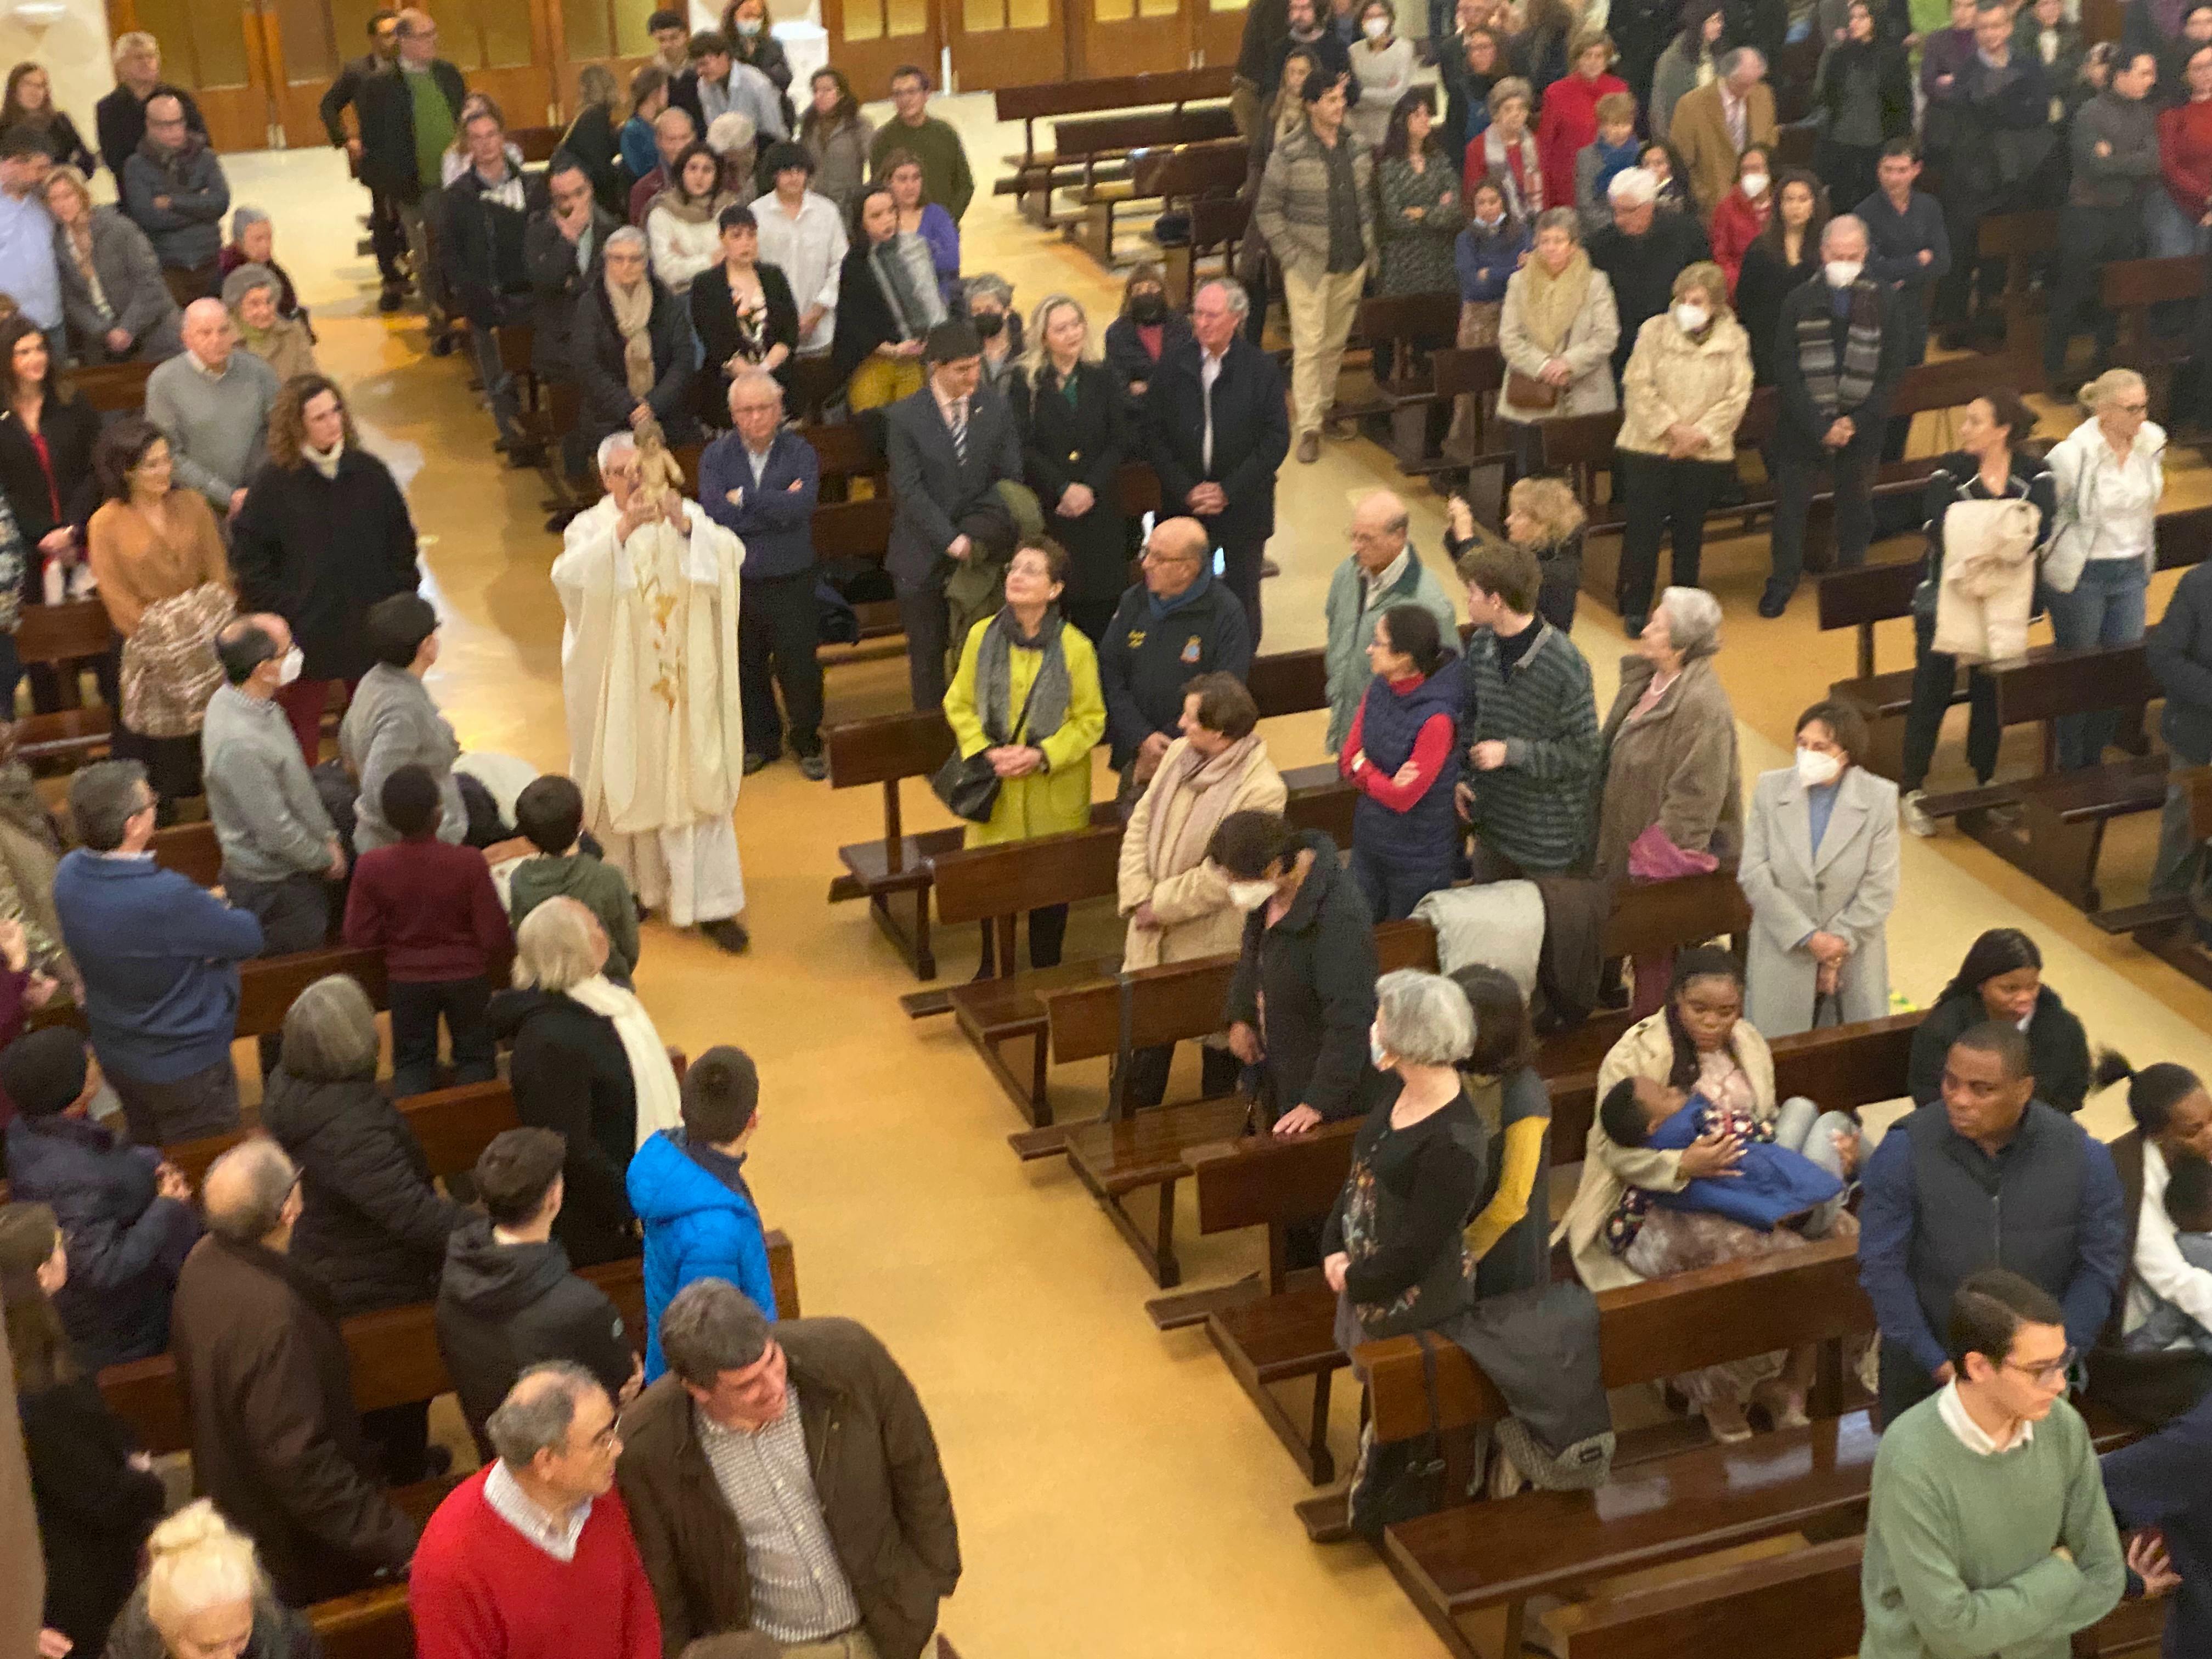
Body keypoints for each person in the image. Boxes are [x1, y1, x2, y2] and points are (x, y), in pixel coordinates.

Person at [1564, 950, 1850, 1436]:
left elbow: (1765, 1121)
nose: (1714, 1022)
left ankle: (1792, 1382)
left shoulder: (1747, 1041)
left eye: (1727, 1010)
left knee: (1843, 1238)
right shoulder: (1635, 1054)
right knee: (1738, 1258)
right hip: (1657, 1202)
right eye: (1700, 1009)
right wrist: (1681, 1164)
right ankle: (1719, 1400)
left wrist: (1811, 1158)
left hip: (1738, 1181)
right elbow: (1612, 1150)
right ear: (1676, 999)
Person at [616, 1279, 961, 1658]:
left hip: (895, 1626)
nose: (775, 1387)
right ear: (698, 1390)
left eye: (772, 1361)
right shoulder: (647, 1447)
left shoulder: (851, 1357)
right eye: (747, 1385)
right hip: (783, 1650)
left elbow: (916, 1468)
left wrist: (931, 1580)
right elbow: (660, 1579)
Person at [171, 1136, 420, 1604]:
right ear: (289, 1209)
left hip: (231, 1490)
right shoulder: (276, 1318)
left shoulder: (202, 1260)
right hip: (289, 1540)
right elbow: (300, 1462)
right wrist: (397, 1540)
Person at [259, 972, 469, 1485]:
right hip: (370, 1275)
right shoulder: (346, 1125)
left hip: (336, 1253)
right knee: (395, 1388)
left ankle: (401, 1464)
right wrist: (491, 1228)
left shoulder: (296, 1085)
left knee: (378, 1397)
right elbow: (409, 1213)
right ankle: (401, 1477)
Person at [1863, 1019, 2128, 1424]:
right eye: (1951, 1083)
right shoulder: (1906, 1149)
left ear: (2023, 1090)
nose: (1959, 1100)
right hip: (1927, 1370)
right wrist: (1937, 1364)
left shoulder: (2082, 1157)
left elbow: (2100, 1267)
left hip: (2043, 1374)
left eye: (1981, 1089)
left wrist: (2055, 1360)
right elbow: (1882, 1267)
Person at [1859, 1271, 2126, 1655]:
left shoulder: (2062, 1426)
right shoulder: (1910, 1459)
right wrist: (2062, 1572)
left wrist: (1992, 1633)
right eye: (2039, 1370)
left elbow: (2106, 1577)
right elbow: (1951, 1632)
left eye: (2062, 1362)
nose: (2059, 1383)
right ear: (1979, 1367)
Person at [552, 431, 748, 949]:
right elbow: (569, 580)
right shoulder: (590, 527)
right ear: (606, 479)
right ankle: (635, 888)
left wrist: (685, 528)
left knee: (693, 779)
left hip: (684, 685)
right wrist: (622, 532)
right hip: (626, 685)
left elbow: (732, 555)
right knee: (629, 773)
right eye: (625, 474)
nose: (637, 483)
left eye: (644, 471)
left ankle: (710, 903)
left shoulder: (685, 514)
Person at [54, 759, 259, 1143]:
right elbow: (247, 937)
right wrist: (214, 911)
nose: (156, 806)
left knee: (151, 1150)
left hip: (117, 1051)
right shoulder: (164, 897)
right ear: (133, 825)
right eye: (151, 801)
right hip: (183, 1065)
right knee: (206, 1158)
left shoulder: (68, 874)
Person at [1, 1201, 168, 1653]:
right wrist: (144, 1480)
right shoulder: (40, 1387)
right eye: (61, 1242)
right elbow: (98, 1495)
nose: (67, 1250)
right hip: (74, 1579)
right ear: (40, 1273)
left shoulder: (35, 1350)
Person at [408, 1364, 661, 1659]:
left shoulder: (598, 1489)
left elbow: (637, 1607)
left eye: (612, 1432)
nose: (617, 1449)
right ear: (547, 1462)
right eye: (601, 1441)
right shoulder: (451, 1562)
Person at [232, 374, 420, 765]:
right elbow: (251, 561)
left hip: (369, 626)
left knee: (377, 728)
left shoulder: (369, 472)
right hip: (306, 633)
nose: (333, 423)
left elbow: (401, 542)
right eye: (320, 417)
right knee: (299, 736)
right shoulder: (273, 486)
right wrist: (288, 610)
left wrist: (394, 602)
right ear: (297, 425)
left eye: (336, 411)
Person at [1115, 673, 1285, 1108]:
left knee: (1216, 1059)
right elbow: (1140, 822)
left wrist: (1160, 905)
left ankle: (1216, 1130)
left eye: (1191, 719)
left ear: (1221, 732)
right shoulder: (1178, 754)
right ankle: (1134, 1119)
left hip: (1209, 937)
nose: (1180, 724)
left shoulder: (1262, 789)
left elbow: (1227, 874)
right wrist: (1138, 894)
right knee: (1145, 1048)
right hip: (1150, 929)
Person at [941, 540, 1105, 973]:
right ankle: (991, 967)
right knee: (990, 884)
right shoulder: (982, 636)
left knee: (1050, 891)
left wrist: (1041, 755)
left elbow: (1091, 721)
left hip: (1053, 790)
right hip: (994, 786)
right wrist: (984, 750)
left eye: (1031, 571)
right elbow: (958, 703)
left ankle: (1046, 971)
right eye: (1013, 568)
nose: (1016, 576)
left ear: (1055, 589)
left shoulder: (1076, 648)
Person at [491, 896, 681, 1266]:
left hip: (641, 1199)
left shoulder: (608, 1004)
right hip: (602, 1227)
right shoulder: (548, 1040)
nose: (603, 933)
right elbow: (570, 1147)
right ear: (575, 948)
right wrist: (636, 1202)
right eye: (595, 925)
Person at [1899, 391, 2056, 832]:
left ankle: (1984, 780)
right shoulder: (1949, 470)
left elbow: (2039, 529)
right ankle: (1913, 788)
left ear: (2002, 429)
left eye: (1974, 421)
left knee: (1991, 694)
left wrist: (1976, 530)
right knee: (1931, 691)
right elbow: (1937, 530)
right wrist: (2003, 532)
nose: (1964, 428)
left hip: (2004, 601)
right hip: (1943, 597)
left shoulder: (2036, 472)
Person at [437, 1127, 642, 1453]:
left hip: (496, 1452)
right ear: (554, 1198)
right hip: (566, 1459)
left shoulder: (455, 1279)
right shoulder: (583, 1306)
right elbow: (622, 1384)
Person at [2, 1028, 197, 1369]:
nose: (95, 1059)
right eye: (87, 1059)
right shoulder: (68, 1179)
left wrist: (148, 1164)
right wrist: (166, 1205)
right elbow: (103, 1267)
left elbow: (103, 1149)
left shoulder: (31, 1126)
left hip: (131, 1296)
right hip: (127, 1324)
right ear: (70, 1088)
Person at [1321, 969, 1486, 1355]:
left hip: (1412, 1313)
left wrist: (1353, 1278)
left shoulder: (1455, 1144)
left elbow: (1417, 1250)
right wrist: (1333, 1245)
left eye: (1380, 1024)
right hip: (1363, 1283)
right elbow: (1362, 1171)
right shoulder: (1398, 1087)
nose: (1373, 1032)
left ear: (1408, 1042)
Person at [1762, 215, 1908, 616]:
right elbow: (1785, 367)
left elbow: (1893, 370)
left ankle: (1851, 581)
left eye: (1853, 256)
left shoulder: (1885, 299)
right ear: (1823, 253)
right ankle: (1782, 581)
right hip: (1803, 426)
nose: (1845, 262)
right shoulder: (1798, 300)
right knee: (1790, 511)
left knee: (1857, 510)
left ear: (1865, 254)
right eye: (1837, 255)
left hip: (1862, 427)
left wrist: (1855, 422)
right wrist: (1820, 424)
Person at [83, 414, 231, 808]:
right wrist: (170, 638)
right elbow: (119, 603)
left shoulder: (193, 504)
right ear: (126, 471)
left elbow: (219, 578)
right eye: (152, 464)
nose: (165, 470)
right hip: (147, 655)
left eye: (167, 460)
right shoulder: (104, 523)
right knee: (159, 767)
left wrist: (195, 631)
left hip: (206, 647)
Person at [1216, 809, 1383, 1153]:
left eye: (1236, 880)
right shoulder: (1269, 897)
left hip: (1329, 1092)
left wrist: (1318, 1102)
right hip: (1280, 1071)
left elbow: (1351, 1018)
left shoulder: (1340, 917)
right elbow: (1251, 959)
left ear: (1274, 867)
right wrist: (1241, 1017)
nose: (1233, 890)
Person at [342, 766, 513, 1097]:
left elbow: (358, 935)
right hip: (467, 978)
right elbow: (493, 935)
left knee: (412, 1066)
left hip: (407, 981)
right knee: (477, 1060)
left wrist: (397, 935)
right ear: (438, 814)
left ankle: (417, 1125)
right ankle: (475, 1125)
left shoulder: (372, 867)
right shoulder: (468, 862)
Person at [1737, 699, 1900, 1036]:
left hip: (1853, 953)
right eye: (1803, 744)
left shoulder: (1880, 798)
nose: (1808, 754)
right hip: (1783, 948)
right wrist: (1809, 938)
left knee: (1854, 1053)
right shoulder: (1770, 789)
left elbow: (1880, 887)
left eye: (1820, 747)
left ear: (1846, 754)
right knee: (1779, 1053)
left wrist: (1837, 945)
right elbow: (1754, 872)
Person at [1143, 278, 1288, 648]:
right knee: (1181, 590)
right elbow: (1153, 435)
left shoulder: (1260, 369)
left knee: (1242, 596)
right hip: (1185, 505)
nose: (1203, 323)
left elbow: (1275, 440)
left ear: (1236, 319)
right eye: (1198, 314)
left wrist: (1227, 490)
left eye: (1213, 315)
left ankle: (1238, 666)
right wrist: (1187, 489)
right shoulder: (1173, 365)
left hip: (1243, 505)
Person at [884, 319, 1022, 710]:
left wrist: (975, 537)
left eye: (977, 366)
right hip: (922, 555)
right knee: (927, 658)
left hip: (981, 552)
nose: (973, 376)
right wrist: (951, 540)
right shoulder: (905, 417)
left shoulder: (995, 408)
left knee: (984, 653)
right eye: (963, 369)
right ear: (936, 366)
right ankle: (932, 738)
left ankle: (983, 734)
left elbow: (1009, 479)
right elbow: (909, 490)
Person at [1612, 261, 1751, 638]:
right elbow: (1637, 385)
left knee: (1690, 533)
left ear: (1717, 305)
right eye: (1684, 300)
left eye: (1698, 301)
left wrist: (1698, 435)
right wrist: (1671, 430)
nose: (1688, 307)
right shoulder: (1654, 330)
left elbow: (1737, 396)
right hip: (1648, 447)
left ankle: (1682, 613)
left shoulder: (1735, 339)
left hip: (1703, 451)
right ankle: (1637, 606)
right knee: (1644, 531)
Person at [1451, 538, 1600, 879]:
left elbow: (1585, 753)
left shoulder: (1566, 665)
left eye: (1472, 592)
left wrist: (1511, 753)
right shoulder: (1481, 645)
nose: (1467, 600)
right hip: (1492, 830)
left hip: (1544, 843)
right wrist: (1462, 777)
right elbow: (1470, 719)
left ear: (1496, 601)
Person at [629, 1046, 778, 1382]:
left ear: (683, 1111)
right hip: (722, 1387)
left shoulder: (677, 1170)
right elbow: (708, 1345)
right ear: (753, 1120)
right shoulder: (713, 1235)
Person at [2044, 368, 2165, 773]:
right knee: (2080, 675)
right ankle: (2071, 766)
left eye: (2144, 406)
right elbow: (2046, 513)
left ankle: (2094, 760)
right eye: (2131, 409)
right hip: (2084, 575)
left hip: (2131, 570)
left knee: (2119, 675)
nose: (2141, 417)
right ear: (2103, 411)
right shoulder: (2071, 456)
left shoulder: (2152, 442)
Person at [702, 372, 822, 777]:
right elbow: (717, 514)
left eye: (765, 408)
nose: (756, 417)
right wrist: (776, 504)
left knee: (799, 662)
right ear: (733, 415)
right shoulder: (716, 456)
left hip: (791, 573)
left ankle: (806, 739)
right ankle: (760, 741)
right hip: (739, 577)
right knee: (746, 663)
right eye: (747, 410)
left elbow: (801, 507)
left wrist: (745, 500)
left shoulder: (800, 451)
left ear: (779, 409)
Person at [204, 616, 347, 955]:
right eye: (289, 649)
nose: (297, 653)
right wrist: (325, 858)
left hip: (295, 861)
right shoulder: (240, 744)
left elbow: (296, 784)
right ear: (264, 670)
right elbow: (275, 830)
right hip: (274, 886)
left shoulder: (250, 701)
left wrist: (328, 836)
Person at [1254, 75, 1373, 467]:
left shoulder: (1357, 147)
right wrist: (1290, 255)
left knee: (1334, 344)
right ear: (1310, 106)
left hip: (1350, 260)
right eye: (1330, 100)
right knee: (1309, 345)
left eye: (1341, 99)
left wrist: (1369, 249)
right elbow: (1267, 210)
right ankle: (1308, 427)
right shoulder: (1289, 152)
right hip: (1307, 265)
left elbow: (1366, 203)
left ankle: (1322, 408)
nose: (1339, 106)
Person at [1592, 585, 1740, 884]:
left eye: (1657, 627)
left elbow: (1693, 807)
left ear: (1680, 647)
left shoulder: (1703, 709)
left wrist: (1648, 869)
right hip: (1619, 846)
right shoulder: (1645, 678)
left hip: (1651, 874)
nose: (1645, 631)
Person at [1931, 1, 2056, 348]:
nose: (1990, 34)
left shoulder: (2029, 66)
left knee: (1999, 256)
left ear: (2009, 27)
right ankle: (1956, 326)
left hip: (2017, 177)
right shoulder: (1967, 73)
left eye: (1997, 26)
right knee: (1962, 253)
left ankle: (1991, 325)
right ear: (1976, 32)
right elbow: (1965, 127)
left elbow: (2038, 114)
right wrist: (2010, 106)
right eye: (1983, 28)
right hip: (1972, 179)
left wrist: (1998, 107)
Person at [1097, 517, 1254, 792]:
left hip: (1198, 761)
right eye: (1146, 553)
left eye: (1158, 558)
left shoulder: (1226, 613)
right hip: (1137, 756)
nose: (1145, 564)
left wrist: (1170, 742)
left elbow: (1226, 691)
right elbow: (1110, 671)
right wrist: (1141, 736)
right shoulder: (1134, 601)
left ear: (1187, 568)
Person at [1009, 296, 1127, 644]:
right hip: (1053, 509)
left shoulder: (1103, 376)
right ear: (1044, 337)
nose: (1072, 334)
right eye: (1061, 329)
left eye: (1076, 324)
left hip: (1098, 510)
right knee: (1054, 610)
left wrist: (1089, 488)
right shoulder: (1026, 382)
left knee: (1099, 615)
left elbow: (1118, 440)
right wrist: (1062, 487)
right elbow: (1023, 445)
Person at [2045, 49, 2161, 385]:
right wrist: (2129, 159)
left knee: (2116, 290)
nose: (2151, 81)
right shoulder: (2091, 112)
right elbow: (2095, 165)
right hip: (2088, 214)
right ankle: (2053, 369)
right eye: (2144, 73)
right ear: (2121, 75)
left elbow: (2152, 162)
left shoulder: (2146, 114)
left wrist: (2116, 157)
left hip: (2126, 214)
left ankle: (2106, 367)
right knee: (2072, 289)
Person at [1340, 603, 1462, 921]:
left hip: (1417, 860)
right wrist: (1375, 776)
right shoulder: (1378, 689)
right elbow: (1347, 759)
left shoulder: (1437, 720)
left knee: (1403, 942)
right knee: (1356, 928)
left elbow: (1403, 798)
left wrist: (1364, 769)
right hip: (1369, 844)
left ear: (1404, 657)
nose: (1369, 649)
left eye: (1377, 643)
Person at [1908, 928, 2113, 1116]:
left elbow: (2073, 1092)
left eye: (2032, 987)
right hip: (1957, 1131)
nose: (2025, 998)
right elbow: (1928, 1097)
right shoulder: (1943, 1029)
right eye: (2010, 989)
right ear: (1981, 985)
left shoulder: (2063, 1027)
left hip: (2039, 1132)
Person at [439, 105, 547, 460]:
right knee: (500, 377)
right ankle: (514, 439)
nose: (486, 144)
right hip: (489, 300)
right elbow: (451, 255)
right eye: (477, 139)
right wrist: (473, 297)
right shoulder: (458, 198)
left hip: (533, 296)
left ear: (502, 138)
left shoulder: (531, 186)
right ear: (468, 145)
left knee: (542, 367)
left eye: (491, 136)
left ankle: (543, 429)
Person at [1323, 490, 1458, 755]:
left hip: (1395, 746)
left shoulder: (1428, 603)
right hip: (1348, 731)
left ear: (1399, 536)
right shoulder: (1347, 573)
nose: (1355, 547)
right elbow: (1336, 635)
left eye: (1367, 538)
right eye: (1353, 536)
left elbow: (1446, 685)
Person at [100, 1501, 320, 1659]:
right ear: (164, 1632)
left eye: (241, 1638)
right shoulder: (130, 1649)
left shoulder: (285, 1641)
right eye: (208, 1648)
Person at [1449, 964, 1553, 1296]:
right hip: (1464, 1221)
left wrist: (1462, 1253)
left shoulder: (1524, 1099)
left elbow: (1511, 1202)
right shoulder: (1460, 1072)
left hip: (1503, 1251)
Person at [1495, 207, 1620, 478]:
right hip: (1532, 396)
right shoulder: (1519, 282)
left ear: (1574, 245)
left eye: (1559, 241)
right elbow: (1509, 337)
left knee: (1581, 478)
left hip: (1584, 394)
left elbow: (1606, 335)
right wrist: (1544, 366)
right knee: (1534, 476)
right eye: (1545, 241)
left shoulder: (1595, 282)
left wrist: (1568, 364)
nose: (1551, 248)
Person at [0, 315, 98, 652]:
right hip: (26, 545)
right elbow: (4, 490)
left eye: (40, 349)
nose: (36, 358)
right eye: (23, 352)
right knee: (40, 647)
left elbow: (95, 469)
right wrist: (42, 535)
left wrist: (72, 530)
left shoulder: (72, 401)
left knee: (93, 635)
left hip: (83, 534)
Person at [340, 592, 465, 854]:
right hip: (414, 850)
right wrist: (420, 845)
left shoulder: (373, 679)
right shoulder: (403, 711)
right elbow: (378, 791)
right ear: (426, 646)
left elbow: (347, 747)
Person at [143, 297, 279, 522]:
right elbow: (168, 454)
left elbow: (280, 432)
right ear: (186, 339)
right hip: (195, 504)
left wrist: (256, 489)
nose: (216, 340)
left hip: (260, 494)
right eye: (205, 333)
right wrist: (227, 496)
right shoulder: (164, 382)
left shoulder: (258, 371)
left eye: (223, 331)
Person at [572, 227, 699, 459]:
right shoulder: (590, 304)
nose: (626, 266)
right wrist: (630, 408)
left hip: (665, 411)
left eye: (634, 259)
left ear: (646, 262)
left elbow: (683, 359)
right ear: (606, 262)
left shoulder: (666, 301)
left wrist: (653, 405)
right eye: (618, 259)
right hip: (608, 417)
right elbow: (587, 366)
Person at [44, 164, 182, 364]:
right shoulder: (59, 243)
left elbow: (151, 284)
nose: (61, 205)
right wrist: (104, 331)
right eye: (54, 199)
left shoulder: (119, 228)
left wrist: (127, 328)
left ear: (83, 195)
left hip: (155, 331)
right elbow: (71, 299)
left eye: (68, 196)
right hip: (106, 342)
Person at [1588, 166, 1713, 382]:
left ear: (1649, 207)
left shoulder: (1687, 233)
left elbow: (1705, 285)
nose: (1619, 220)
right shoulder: (1599, 245)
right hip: (1625, 349)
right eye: (1615, 211)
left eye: (1627, 211)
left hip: (1678, 341)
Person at [510, 776, 640, 984]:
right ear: (582, 820)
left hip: (547, 981)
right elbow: (629, 945)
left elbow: (523, 938)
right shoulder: (608, 877)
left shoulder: (520, 880)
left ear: (527, 836)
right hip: (605, 979)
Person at [320, 10, 408, 303]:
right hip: (379, 159)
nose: (394, 40)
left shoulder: (411, 66)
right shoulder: (358, 71)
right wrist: (346, 140)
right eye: (387, 34)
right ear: (373, 39)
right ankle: (392, 280)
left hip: (412, 156)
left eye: (398, 33)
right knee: (384, 221)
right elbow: (329, 106)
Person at [828, 181, 939, 413]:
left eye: (891, 211)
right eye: (877, 216)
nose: (888, 220)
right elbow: (854, 324)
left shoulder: (915, 248)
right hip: (873, 358)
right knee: (872, 418)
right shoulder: (855, 264)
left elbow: (932, 303)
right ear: (861, 223)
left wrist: (927, 343)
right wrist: (893, 351)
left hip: (918, 356)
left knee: (913, 419)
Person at [1857, 140, 1949, 397]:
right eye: (1888, 170)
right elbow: (1873, 268)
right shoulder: (1865, 213)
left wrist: (1904, 279)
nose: (1894, 178)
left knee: (1913, 380)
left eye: (1902, 170)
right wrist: (1917, 260)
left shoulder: (1929, 207)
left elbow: (1943, 261)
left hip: (1916, 307)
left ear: (1916, 170)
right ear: (1879, 169)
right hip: (1878, 308)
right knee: (1881, 380)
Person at [118, 94, 227, 308]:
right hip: (167, 265)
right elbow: (149, 218)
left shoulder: (205, 157)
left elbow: (220, 203)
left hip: (209, 258)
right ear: (150, 126)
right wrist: (200, 207)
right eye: (167, 125)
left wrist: (172, 202)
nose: (176, 131)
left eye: (179, 122)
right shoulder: (135, 166)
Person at [693, 203, 798, 416]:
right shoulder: (706, 284)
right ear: (722, 238)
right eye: (737, 236)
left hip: (777, 377)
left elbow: (789, 332)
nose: (746, 243)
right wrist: (750, 379)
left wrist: (764, 371)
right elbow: (714, 341)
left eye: (751, 235)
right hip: (726, 385)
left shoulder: (774, 276)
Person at [2149, 555, 2212, 898]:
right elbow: (2164, 657)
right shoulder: (2200, 585)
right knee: (2186, 826)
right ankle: (2166, 903)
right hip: (2201, 730)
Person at [1813, 2, 1912, 212]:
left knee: (1875, 202)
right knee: (1841, 199)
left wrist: (1898, 143)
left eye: (1862, 17)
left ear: (1875, 20)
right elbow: (1827, 97)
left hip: (1878, 141)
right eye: (1852, 18)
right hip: (1841, 140)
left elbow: (1903, 105)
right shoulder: (1839, 55)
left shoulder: (1893, 57)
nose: (1854, 23)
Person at [1735, 170, 1829, 390]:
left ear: (1815, 204)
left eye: (1803, 199)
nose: (1796, 207)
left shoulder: (1827, 248)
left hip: (1816, 344)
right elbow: (1746, 300)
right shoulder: (1760, 249)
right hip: (1770, 346)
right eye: (1789, 200)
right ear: (1779, 205)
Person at [93, 32, 207, 192]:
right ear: (120, 66)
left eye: (151, 56)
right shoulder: (108, 108)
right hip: (137, 192)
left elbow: (203, 142)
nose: (146, 62)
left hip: (184, 186)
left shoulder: (179, 98)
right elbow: (114, 159)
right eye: (139, 58)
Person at [1671, 46, 1775, 215]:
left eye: (1754, 83)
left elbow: (1769, 145)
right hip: (1713, 206)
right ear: (1727, 76)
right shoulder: (1691, 105)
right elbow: (1680, 161)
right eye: (1743, 85)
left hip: (1756, 206)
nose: (1750, 91)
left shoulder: (1763, 95)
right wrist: (1702, 195)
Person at [1537, 29, 1629, 212]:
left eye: (1599, 56)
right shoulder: (1556, 93)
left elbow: (1627, 136)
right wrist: (1546, 199)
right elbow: (1545, 146)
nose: (1593, 62)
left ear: (1607, 60)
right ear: (1577, 59)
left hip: (1611, 181)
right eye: (1588, 56)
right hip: (1569, 185)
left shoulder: (1619, 89)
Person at [869, 65, 973, 222]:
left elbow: (965, 185)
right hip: (901, 229)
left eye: (912, 92)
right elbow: (878, 190)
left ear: (926, 94)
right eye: (898, 94)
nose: (905, 99)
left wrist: (947, 221)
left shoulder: (945, 133)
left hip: (943, 225)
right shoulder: (883, 139)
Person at [644, 140, 733, 299]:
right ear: (681, 172)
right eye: (693, 168)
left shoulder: (729, 209)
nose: (699, 176)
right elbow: (666, 271)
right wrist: (711, 260)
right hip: (682, 299)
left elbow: (737, 258)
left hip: (728, 292)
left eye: (707, 170)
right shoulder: (663, 213)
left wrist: (686, 260)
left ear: (717, 175)